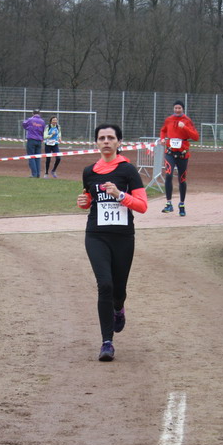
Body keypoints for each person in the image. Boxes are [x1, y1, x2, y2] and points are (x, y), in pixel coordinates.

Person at [76, 124, 148, 361]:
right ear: (96, 143)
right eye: (101, 138)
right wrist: (84, 202)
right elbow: (89, 199)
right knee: (104, 285)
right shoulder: (89, 171)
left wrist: (120, 195)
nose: (106, 141)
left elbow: (142, 206)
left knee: (118, 290)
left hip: (123, 237)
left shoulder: (128, 170)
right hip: (96, 235)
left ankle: (119, 308)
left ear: (119, 142)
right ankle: (107, 342)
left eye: (110, 138)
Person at [159, 100, 199, 216]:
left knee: (182, 179)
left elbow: (195, 137)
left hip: (182, 154)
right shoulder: (169, 119)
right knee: (168, 175)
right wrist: (162, 138)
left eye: (179, 108)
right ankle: (168, 203)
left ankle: (181, 204)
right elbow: (163, 130)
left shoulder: (187, 121)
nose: (177, 110)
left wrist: (185, 127)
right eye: (175, 108)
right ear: (173, 108)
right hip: (170, 152)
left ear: (183, 109)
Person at [22, 109, 44, 178]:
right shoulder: (42, 121)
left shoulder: (30, 120)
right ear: (39, 113)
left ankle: (34, 174)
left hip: (31, 140)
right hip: (39, 140)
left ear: (32, 113)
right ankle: (38, 174)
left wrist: (28, 128)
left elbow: (24, 124)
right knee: (37, 157)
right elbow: (43, 130)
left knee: (31, 157)